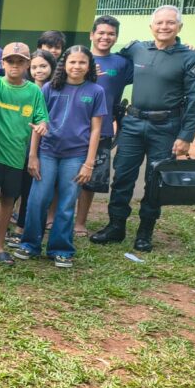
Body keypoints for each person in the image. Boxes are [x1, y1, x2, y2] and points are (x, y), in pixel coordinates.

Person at [92, 5, 195, 252]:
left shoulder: (190, 58)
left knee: (156, 180)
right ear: (151, 26)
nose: (164, 27)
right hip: (132, 123)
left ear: (179, 27)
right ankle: (116, 226)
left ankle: (145, 232)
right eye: (160, 23)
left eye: (170, 23)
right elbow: (113, 60)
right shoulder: (136, 49)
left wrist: (186, 136)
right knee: (122, 176)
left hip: (166, 126)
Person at [14, 46, 106, 268]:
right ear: (64, 64)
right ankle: (30, 244)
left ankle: (61, 249)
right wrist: (33, 155)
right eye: (72, 62)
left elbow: (96, 130)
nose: (76, 67)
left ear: (89, 66)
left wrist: (89, 163)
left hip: (75, 156)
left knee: (66, 202)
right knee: (38, 199)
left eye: (82, 63)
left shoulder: (95, 91)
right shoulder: (49, 88)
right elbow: (38, 123)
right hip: (47, 152)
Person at [0, 42, 48, 265]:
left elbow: (41, 118)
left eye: (20, 61)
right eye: (10, 61)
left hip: (16, 157)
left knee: (8, 201)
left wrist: (42, 126)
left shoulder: (34, 91)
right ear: (2, 63)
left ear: (28, 64)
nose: (15, 65)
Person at [75, 15, 132, 237]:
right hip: (72, 128)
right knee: (64, 174)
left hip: (103, 129)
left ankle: (80, 222)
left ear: (116, 37)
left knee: (91, 178)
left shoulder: (122, 63)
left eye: (110, 34)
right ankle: (52, 217)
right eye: (101, 32)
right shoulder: (78, 57)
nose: (105, 37)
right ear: (92, 35)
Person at [10, 49, 56, 241]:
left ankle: (22, 227)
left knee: (32, 188)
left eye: (43, 66)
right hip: (20, 144)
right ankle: (8, 222)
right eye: (35, 67)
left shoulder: (55, 89)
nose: (39, 70)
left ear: (52, 67)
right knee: (16, 187)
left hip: (44, 148)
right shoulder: (25, 88)